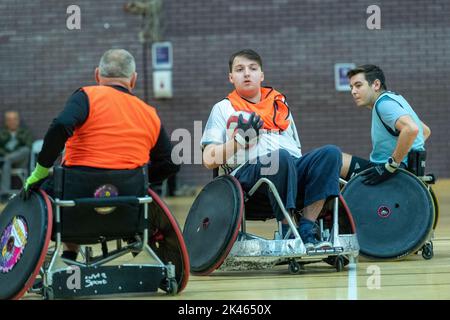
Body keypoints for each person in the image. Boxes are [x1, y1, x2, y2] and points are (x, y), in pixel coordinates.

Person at [21, 49, 179, 260]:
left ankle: (66, 255)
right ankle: (81, 250)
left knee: (38, 189)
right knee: (81, 183)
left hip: (74, 205)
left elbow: (61, 125)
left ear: (97, 75)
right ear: (133, 79)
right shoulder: (149, 113)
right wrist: (141, 179)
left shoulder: (86, 96)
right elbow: (171, 163)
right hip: (127, 208)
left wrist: (40, 172)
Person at [201, 49, 342, 249]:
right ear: (231, 77)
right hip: (250, 180)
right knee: (280, 159)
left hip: (289, 170)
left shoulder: (280, 104)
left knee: (330, 153)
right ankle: (288, 233)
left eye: (253, 68)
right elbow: (208, 159)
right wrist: (239, 140)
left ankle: (307, 229)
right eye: (240, 69)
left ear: (262, 75)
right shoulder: (223, 108)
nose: (247, 73)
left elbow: (297, 150)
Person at [340, 65, 431, 184]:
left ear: (376, 85)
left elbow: (411, 129)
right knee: (334, 158)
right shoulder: (393, 98)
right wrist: (407, 156)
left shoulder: (384, 104)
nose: (353, 91)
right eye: (351, 87)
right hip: (393, 170)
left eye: (358, 85)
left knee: (331, 160)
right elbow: (424, 131)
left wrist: (391, 165)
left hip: (387, 172)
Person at [0, 111, 33, 198]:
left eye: (14, 119)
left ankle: (4, 193)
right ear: (6, 122)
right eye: (9, 120)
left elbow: (28, 146)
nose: (12, 122)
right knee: (7, 161)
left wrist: (10, 155)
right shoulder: (1, 133)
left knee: (25, 150)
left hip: (20, 161)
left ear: (18, 120)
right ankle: (5, 194)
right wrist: (6, 154)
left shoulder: (25, 132)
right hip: (5, 162)